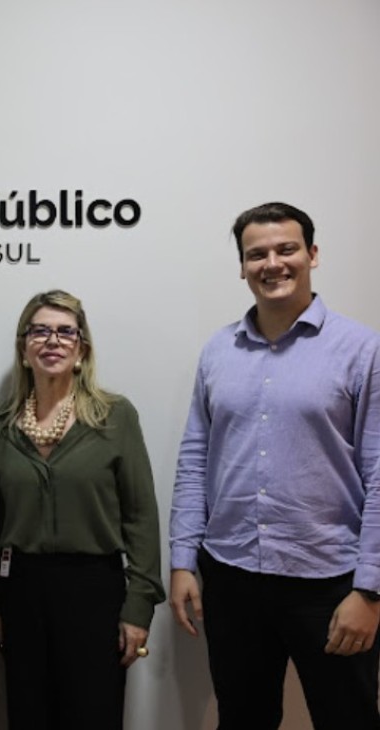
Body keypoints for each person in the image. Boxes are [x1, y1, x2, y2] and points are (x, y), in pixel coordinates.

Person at [170, 202, 380, 729]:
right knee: (242, 719)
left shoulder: (362, 350)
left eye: (286, 249)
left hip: (330, 580)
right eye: (256, 254)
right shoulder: (218, 351)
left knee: (347, 720)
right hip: (231, 574)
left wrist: (370, 590)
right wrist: (182, 560)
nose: (272, 264)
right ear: (242, 266)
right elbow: (195, 460)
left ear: (312, 254)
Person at [0, 289, 163, 730]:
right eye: (40, 331)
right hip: (22, 591)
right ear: (24, 348)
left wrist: (139, 607)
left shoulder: (115, 417)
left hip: (94, 591)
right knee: (29, 715)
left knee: (93, 715)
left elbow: (141, 517)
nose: (53, 341)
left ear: (82, 349)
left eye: (66, 332)